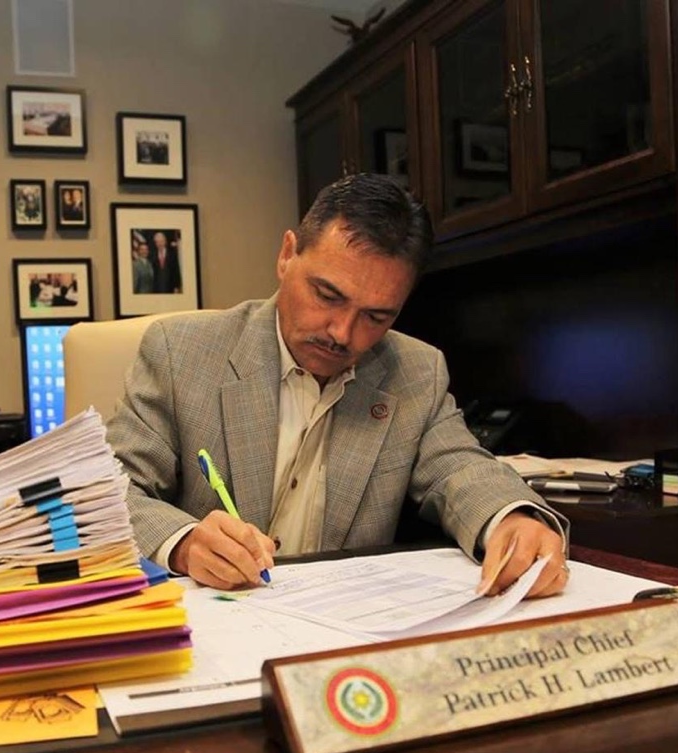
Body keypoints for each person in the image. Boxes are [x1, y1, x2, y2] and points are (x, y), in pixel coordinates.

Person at [105, 173, 568, 597]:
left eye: (376, 316)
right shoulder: (180, 352)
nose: (342, 334)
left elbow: (459, 468)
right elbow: (112, 493)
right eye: (328, 295)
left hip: (343, 633)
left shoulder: (417, 372)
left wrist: (511, 517)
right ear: (287, 255)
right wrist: (183, 543)